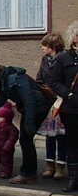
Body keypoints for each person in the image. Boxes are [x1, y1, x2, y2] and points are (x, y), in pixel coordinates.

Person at [0, 63, 52, 185]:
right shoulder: (4, 83)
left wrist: (29, 123)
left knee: (25, 140)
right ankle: (29, 173)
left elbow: (29, 101)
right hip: (30, 110)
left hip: (38, 108)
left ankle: (28, 174)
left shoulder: (16, 79)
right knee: (26, 140)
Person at [49, 20, 78, 192]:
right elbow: (53, 81)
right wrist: (69, 95)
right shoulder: (64, 57)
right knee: (73, 143)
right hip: (71, 108)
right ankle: (74, 178)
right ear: (74, 38)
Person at [36, 32, 67, 179]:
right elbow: (39, 78)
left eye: (45, 45)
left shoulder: (65, 58)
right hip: (49, 101)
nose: (42, 48)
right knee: (50, 135)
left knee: (62, 136)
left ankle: (61, 167)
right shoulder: (45, 60)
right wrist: (46, 90)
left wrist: (60, 93)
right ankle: (50, 166)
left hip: (62, 101)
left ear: (52, 46)